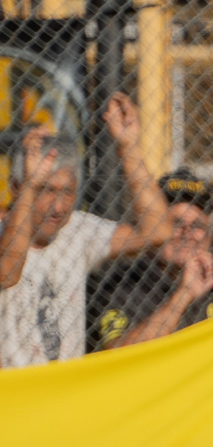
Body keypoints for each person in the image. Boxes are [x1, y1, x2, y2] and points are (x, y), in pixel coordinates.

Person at [0, 95, 172, 368]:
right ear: (17, 188)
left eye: (67, 192)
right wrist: (30, 185)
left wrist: (128, 147)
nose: (58, 206)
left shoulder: (77, 229)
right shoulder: (4, 232)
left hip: (69, 394)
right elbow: (7, 272)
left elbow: (158, 231)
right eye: (46, 190)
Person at [87, 169, 213, 350]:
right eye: (175, 223)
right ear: (154, 230)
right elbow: (118, 355)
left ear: (210, 235)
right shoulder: (122, 286)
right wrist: (184, 295)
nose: (187, 234)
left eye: (197, 225)